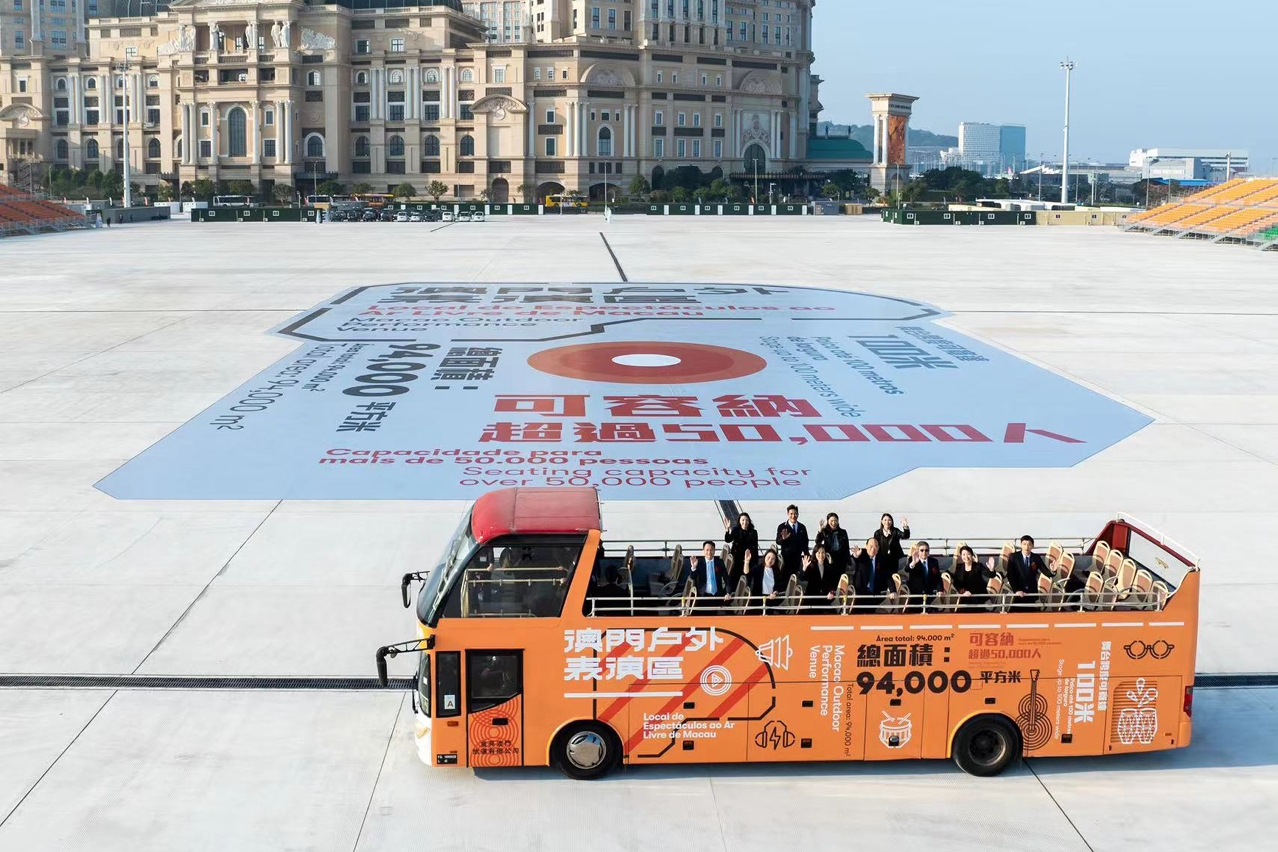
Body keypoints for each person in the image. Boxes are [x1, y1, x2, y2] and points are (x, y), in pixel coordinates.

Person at [687, 540, 732, 607]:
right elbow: (692, 577)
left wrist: (728, 593)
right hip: (703, 596)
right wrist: (693, 567)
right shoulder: (699, 562)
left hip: (717, 595)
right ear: (703, 551)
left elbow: (727, 579)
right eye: (707, 550)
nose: (709, 552)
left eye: (711, 550)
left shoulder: (719, 562)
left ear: (714, 551)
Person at [1006, 535, 1048, 606]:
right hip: (1018, 593)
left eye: (1029, 544)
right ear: (1021, 545)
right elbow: (1010, 575)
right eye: (1024, 544)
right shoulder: (1013, 557)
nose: (1026, 547)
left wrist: (1053, 570)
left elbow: (1046, 572)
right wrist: (1016, 590)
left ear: (1032, 546)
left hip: (1032, 593)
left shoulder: (1036, 557)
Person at [724, 512, 759, 590]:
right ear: (739, 521)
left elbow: (755, 547)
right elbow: (728, 539)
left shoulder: (753, 532)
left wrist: (755, 561)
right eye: (743, 520)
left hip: (748, 559)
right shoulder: (736, 530)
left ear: (749, 521)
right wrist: (727, 529)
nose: (745, 522)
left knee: (746, 578)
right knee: (735, 579)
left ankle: (745, 592)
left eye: (746, 520)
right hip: (736, 559)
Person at [815, 512, 850, 580]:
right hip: (829, 560)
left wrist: (848, 562)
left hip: (841, 560)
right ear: (828, 521)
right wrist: (820, 531)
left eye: (835, 521)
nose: (834, 523)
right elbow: (817, 542)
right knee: (829, 579)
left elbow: (846, 547)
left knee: (840, 580)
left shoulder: (843, 532)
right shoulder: (825, 531)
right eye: (831, 521)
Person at [775, 504, 809, 574]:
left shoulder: (802, 527)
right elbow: (778, 541)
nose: (793, 516)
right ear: (788, 514)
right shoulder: (782, 526)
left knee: (795, 577)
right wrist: (783, 538)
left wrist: (807, 555)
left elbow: (805, 543)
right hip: (785, 558)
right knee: (785, 577)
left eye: (795, 514)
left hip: (797, 558)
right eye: (791, 514)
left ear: (798, 514)